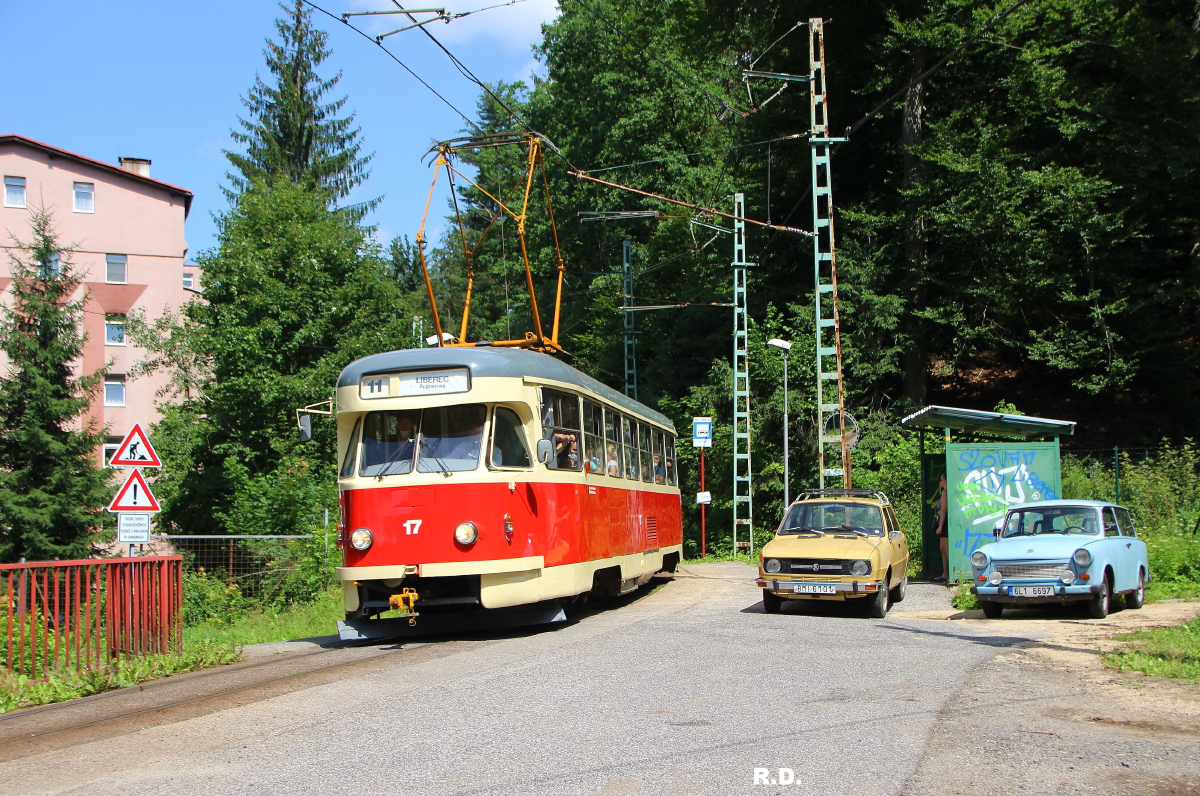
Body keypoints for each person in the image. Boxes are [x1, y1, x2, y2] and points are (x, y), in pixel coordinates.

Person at [933, 473, 949, 582]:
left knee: (945, 549)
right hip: (946, 523)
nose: (940, 481)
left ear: (946, 481)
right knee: (943, 548)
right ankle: (945, 573)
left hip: (945, 523)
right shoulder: (947, 492)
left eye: (941, 479)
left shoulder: (945, 493)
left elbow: (943, 510)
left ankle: (947, 574)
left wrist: (940, 526)